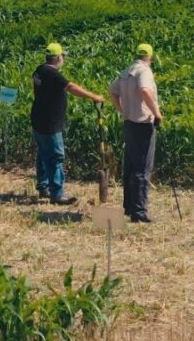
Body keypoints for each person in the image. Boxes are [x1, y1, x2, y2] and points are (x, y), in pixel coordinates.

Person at [31, 42, 105, 205]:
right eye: (63, 56)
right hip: (50, 123)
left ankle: (43, 187)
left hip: (39, 119)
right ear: (58, 57)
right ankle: (57, 194)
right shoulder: (52, 73)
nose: (63, 58)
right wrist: (93, 96)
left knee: (43, 154)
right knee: (56, 156)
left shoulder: (39, 70)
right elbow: (70, 87)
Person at [109, 43, 163, 223]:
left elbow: (112, 90)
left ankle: (129, 207)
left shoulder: (127, 71)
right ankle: (139, 212)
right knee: (142, 168)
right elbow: (145, 91)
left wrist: (122, 110)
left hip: (129, 122)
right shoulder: (144, 71)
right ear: (150, 57)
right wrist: (157, 113)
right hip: (143, 123)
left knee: (130, 166)